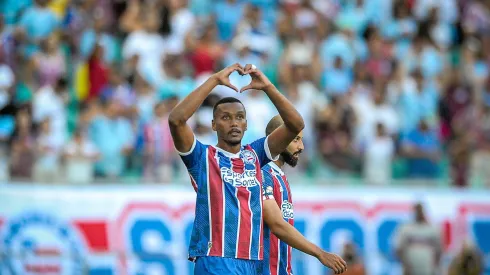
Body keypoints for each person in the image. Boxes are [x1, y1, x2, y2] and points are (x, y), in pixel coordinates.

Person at [168, 63, 346, 275]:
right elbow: (176, 120)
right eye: (225, 118)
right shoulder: (202, 157)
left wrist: (268, 87)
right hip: (215, 260)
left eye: (239, 117)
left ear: (246, 124)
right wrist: (214, 80)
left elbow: (295, 124)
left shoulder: (254, 156)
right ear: (214, 124)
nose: (234, 123)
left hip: (250, 263)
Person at [261, 115, 348, 275]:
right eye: (295, 139)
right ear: (277, 138)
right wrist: (320, 253)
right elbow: (277, 225)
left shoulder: (280, 176)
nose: (301, 146)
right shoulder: (262, 173)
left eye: (301, 140)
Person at [394, 203, 442, 275]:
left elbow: (439, 249)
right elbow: (398, 249)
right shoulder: (405, 229)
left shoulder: (433, 229)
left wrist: (436, 264)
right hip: (410, 268)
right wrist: (405, 264)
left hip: (429, 268)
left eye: (420, 210)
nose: (418, 213)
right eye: (416, 211)